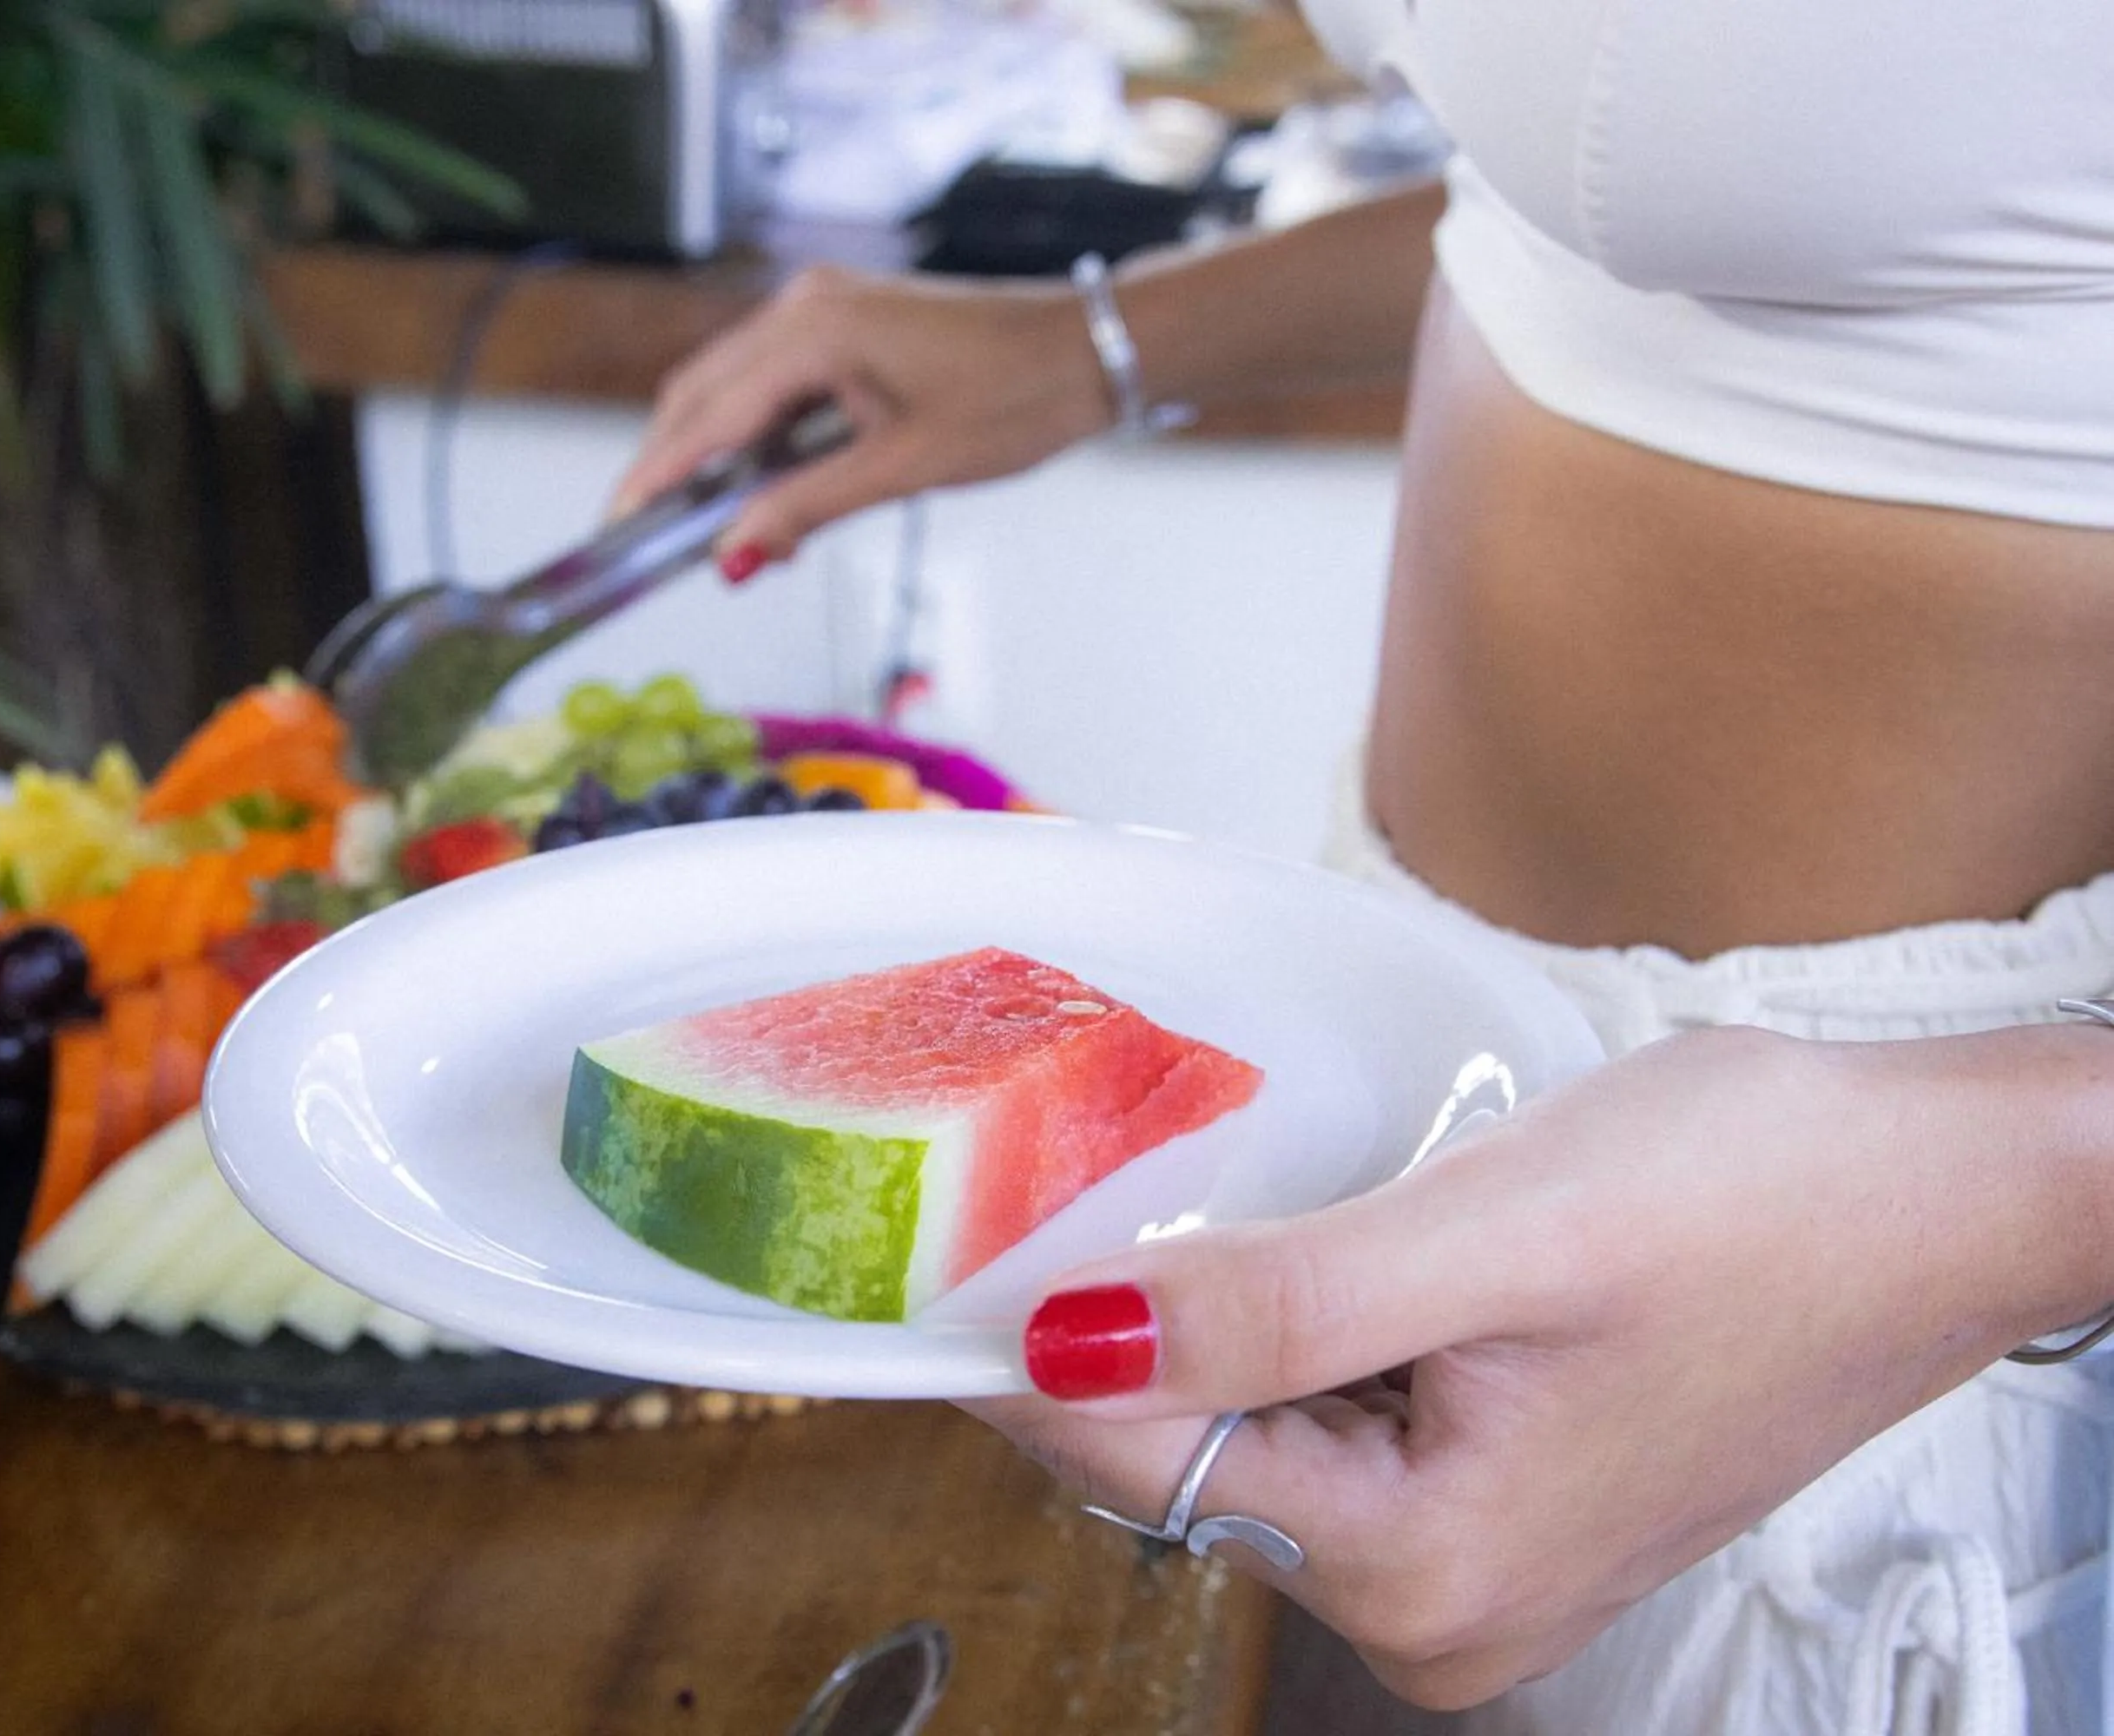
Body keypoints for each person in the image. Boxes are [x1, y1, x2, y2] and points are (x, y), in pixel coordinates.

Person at [609, 2, 2114, 1731]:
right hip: (1383, 1077)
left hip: (1890, 1298)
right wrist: (1098, 339)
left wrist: (2030, 1185)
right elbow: (1617, 179)